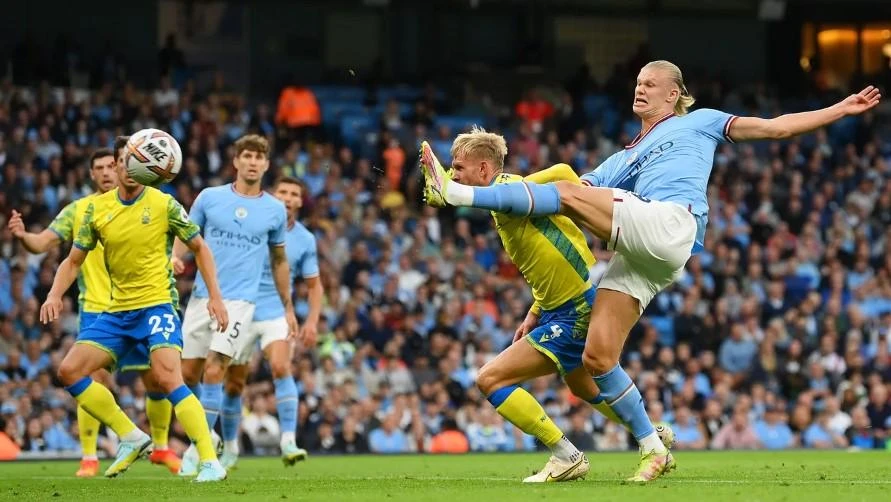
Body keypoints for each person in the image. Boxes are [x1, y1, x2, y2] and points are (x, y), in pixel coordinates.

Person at [421, 59, 880, 481]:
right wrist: (539, 299)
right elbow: (573, 188)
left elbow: (776, 128)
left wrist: (838, 109)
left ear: (674, 94)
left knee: (565, 194)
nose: (639, 89)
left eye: (650, 84)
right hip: (645, 253)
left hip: (672, 221)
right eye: (638, 83)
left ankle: (458, 196)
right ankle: (652, 446)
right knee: (597, 358)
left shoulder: (699, 121)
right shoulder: (623, 157)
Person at [435, 127, 671, 482]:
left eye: (458, 168)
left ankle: (567, 455)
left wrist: (452, 193)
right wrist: (535, 311)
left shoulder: (506, 193)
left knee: (490, 379)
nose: (453, 174)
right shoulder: (518, 192)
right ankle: (650, 432)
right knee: (582, 386)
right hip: (560, 307)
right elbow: (561, 172)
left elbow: (527, 189)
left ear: (484, 169)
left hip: (574, 310)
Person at [39, 134, 229, 482]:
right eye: (125, 160)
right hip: (117, 312)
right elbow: (73, 260)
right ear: (117, 165)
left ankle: (209, 461)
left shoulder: (164, 204)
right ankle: (130, 436)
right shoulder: (97, 209)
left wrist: (215, 296)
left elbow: (200, 248)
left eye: (136, 160)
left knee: (168, 378)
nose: (129, 167)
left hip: (157, 306)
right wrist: (54, 294)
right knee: (69, 371)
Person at [7, 141, 181, 477]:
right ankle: (90, 455)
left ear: (124, 166)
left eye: (110, 166)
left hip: (142, 303)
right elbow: (42, 243)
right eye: (98, 168)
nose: (106, 172)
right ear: (91, 174)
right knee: (90, 377)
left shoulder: (148, 203)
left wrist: (171, 259)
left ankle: (160, 447)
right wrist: (23, 235)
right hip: (97, 307)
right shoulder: (80, 210)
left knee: (157, 378)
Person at [174, 134, 299, 476]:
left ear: (266, 165)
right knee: (187, 375)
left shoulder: (274, 209)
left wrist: (287, 305)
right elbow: (188, 236)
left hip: (242, 302)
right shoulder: (209, 198)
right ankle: (209, 436)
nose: (253, 162)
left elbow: (279, 260)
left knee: (215, 370)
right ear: (236, 161)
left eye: (259, 157)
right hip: (202, 297)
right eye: (247, 156)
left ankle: (199, 450)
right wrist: (174, 257)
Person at [218, 176, 323, 468]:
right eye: (283, 192)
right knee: (234, 383)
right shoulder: (251, 225)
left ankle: (288, 441)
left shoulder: (305, 239)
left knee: (280, 366)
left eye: (294, 193)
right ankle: (230, 447)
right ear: (273, 196)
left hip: (276, 311)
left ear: (300, 202)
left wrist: (312, 321)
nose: (288, 197)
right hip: (241, 309)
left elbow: (314, 285)